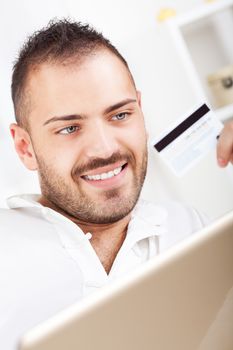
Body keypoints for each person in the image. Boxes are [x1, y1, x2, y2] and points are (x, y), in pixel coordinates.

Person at [0, 19, 208, 349]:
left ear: (140, 111)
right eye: (69, 128)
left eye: (120, 115)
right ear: (25, 147)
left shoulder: (191, 227)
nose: (105, 148)